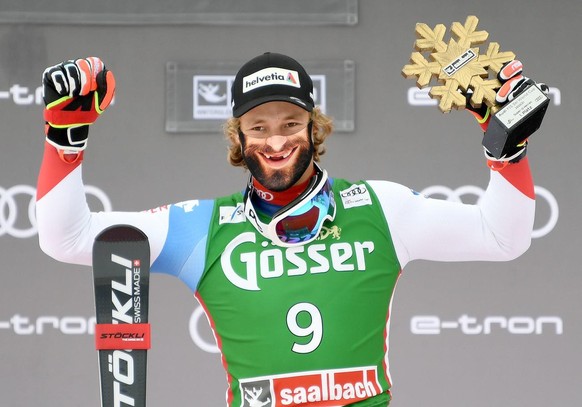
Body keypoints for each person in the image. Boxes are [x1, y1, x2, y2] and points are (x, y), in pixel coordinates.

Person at [36, 52, 545, 406]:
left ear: (314, 127)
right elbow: (70, 238)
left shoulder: (378, 208)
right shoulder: (204, 227)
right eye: (258, 127)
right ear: (238, 135)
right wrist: (65, 138)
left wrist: (507, 153)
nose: (275, 141)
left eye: (289, 124)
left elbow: (502, 237)